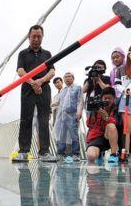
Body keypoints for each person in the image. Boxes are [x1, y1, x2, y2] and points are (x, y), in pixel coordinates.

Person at [12, 25, 57, 162]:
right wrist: (33, 83)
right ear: (29, 37)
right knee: (26, 119)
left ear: (42, 37)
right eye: (34, 36)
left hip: (44, 89)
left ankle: (44, 152)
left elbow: (52, 71)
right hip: (27, 88)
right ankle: (24, 151)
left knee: (43, 120)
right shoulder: (23, 53)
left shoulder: (47, 54)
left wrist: (41, 81)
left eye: (39, 36)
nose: (36, 39)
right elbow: (20, 71)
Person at [85, 87, 120, 164]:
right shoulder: (97, 107)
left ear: (114, 99)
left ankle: (114, 154)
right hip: (97, 137)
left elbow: (117, 123)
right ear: (101, 99)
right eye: (105, 98)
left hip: (111, 136)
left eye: (109, 98)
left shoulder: (116, 108)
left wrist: (106, 117)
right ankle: (100, 153)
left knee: (111, 126)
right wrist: (93, 113)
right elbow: (89, 124)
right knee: (91, 156)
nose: (107, 100)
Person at [54, 72, 83, 160]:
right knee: (62, 134)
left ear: (73, 78)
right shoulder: (63, 90)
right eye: (65, 77)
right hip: (62, 116)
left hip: (72, 114)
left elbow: (80, 101)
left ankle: (76, 153)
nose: (67, 78)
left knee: (73, 134)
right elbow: (58, 102)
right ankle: (60, 153)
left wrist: (79, 112)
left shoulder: (77, 88)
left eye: (69, 76)